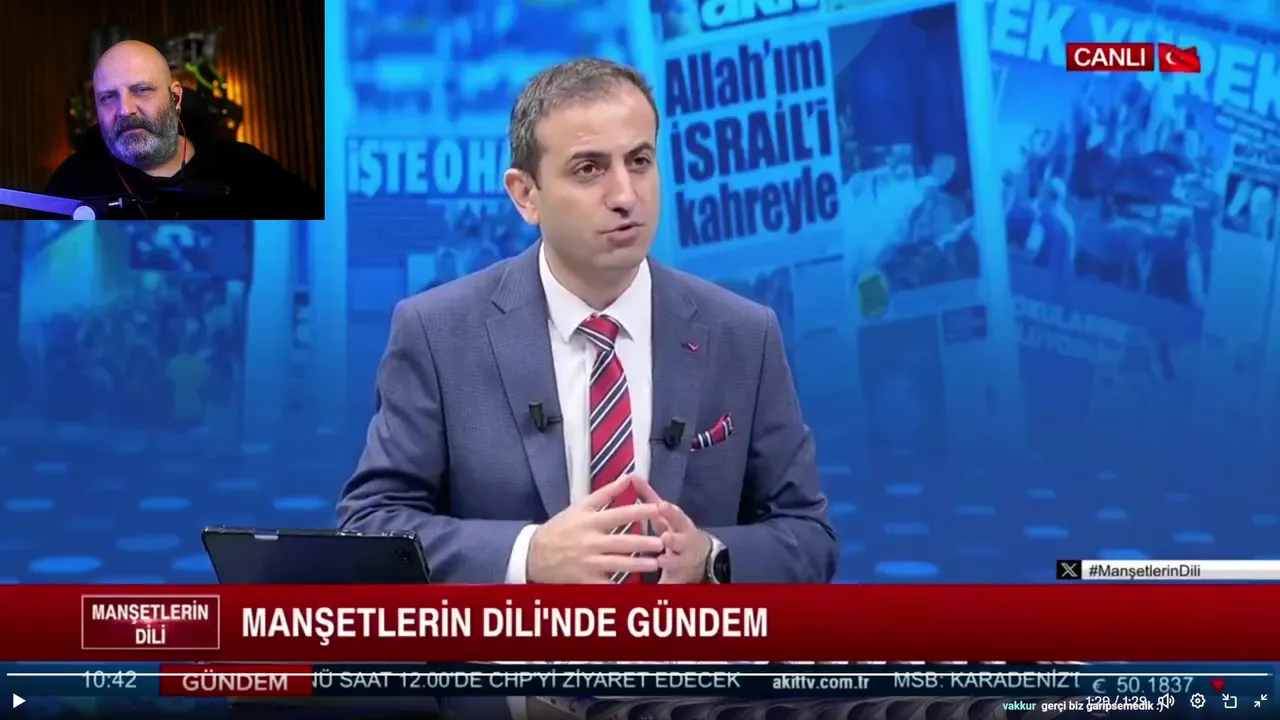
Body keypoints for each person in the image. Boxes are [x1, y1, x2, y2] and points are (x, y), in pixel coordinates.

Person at [338, 58, 836, 720]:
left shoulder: (744, 334)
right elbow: (370, 526)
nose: (625, 194)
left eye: (640, 161)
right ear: (526, 194)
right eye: (589, 169)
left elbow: (809, 536)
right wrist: (529, 556)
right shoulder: (437, 332)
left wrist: (711, 558)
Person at [44, 40, 320, 220]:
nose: (124, 110)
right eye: (108, 97)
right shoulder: (72, 181)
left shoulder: (248, 170)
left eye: (141, 90)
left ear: (175, 98)